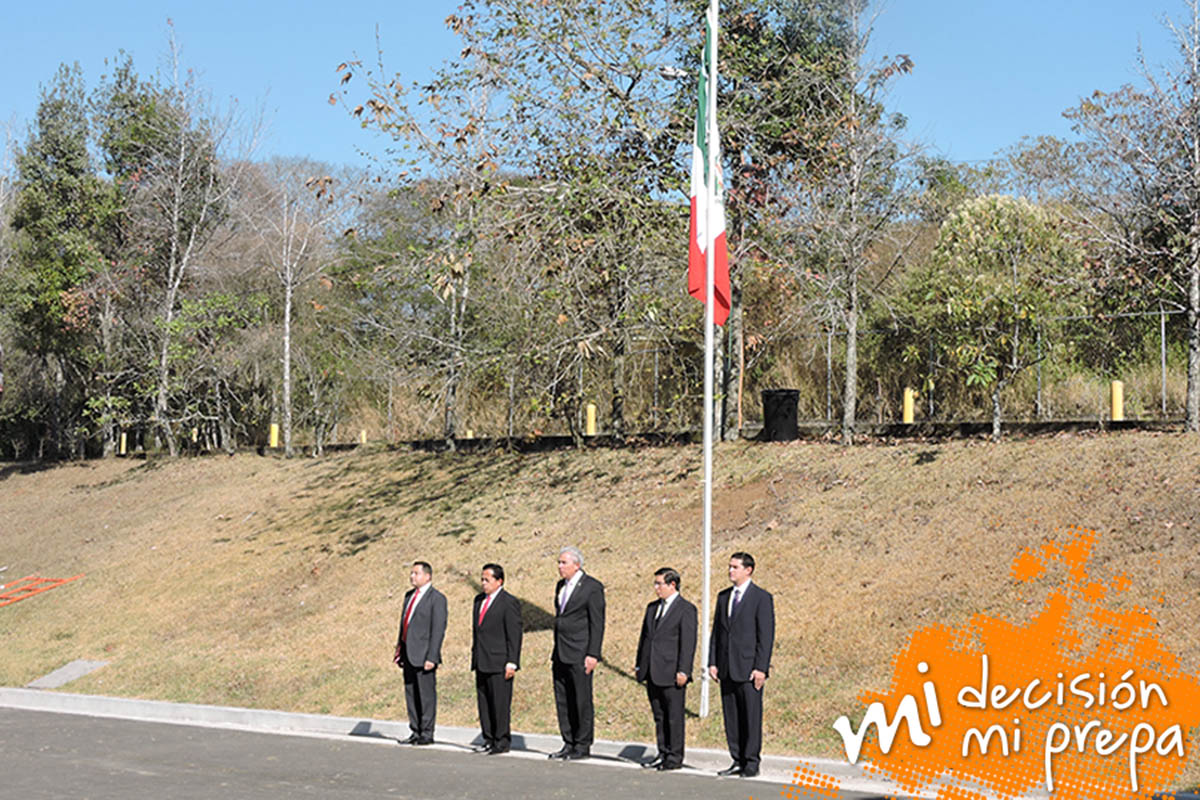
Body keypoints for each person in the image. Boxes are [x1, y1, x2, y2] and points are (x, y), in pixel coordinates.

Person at [708, 552, 774, 778]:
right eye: (729, 567)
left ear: (749, 570)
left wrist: (761, 668)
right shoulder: (724, 597)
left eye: (735, 567)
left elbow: (765, 636)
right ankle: (736, 759)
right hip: (726, 667)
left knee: (751, 716)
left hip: (749, 669)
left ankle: (752, 762)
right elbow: (717, 632)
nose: (730, 571)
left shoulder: (761, 598)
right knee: (732, 716)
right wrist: (712, 662)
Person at [634, 567, 697, 772]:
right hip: (652, 670)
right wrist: (639, 665)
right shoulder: (652, 608)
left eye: (659, 583)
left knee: (674, 716)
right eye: (655, 583)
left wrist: (684, 670)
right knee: (659, 716)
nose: (656, 588)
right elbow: (645, 638)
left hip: (672, 672)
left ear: (672, 585)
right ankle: (662, 752)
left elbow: (688, 643)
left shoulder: (685, 609)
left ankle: (674, 756)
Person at [549, 545, 605, 760]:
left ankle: (582, 744)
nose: (560, 566)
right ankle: (568, 741)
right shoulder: (560, 586)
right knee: (563, 699)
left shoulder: (592, 587)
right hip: (561, 651)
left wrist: (593, 653)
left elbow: (597, 623)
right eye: (559, 562)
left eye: (564, 562)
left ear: (577, 565)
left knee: (581, 699)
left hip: (580, 652)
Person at [393, 561, 447, 745]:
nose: (412, 576)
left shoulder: (436, 599)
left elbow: (438, 629)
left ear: (427, 576)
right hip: (408, 652)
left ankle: (427, 732)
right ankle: (415, 730)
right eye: (411, 573)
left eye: (416, 573)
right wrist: (399, 648)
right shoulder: (409, 596)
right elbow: (404, 624)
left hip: (424, 655)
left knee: (426, 695)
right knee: (411, 693)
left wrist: (432, 656)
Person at [471, 563, 523, 755]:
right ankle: (489, 738)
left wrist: (512, 661)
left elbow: (514, 634)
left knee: (500, 704)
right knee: (484, 702)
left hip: (499, 661)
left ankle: (501, 741)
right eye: (482, 579)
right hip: (481, 660)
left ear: (499, 581)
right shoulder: (478, 601)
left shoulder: (508, 602)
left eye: (487, 580)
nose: (483, 583)